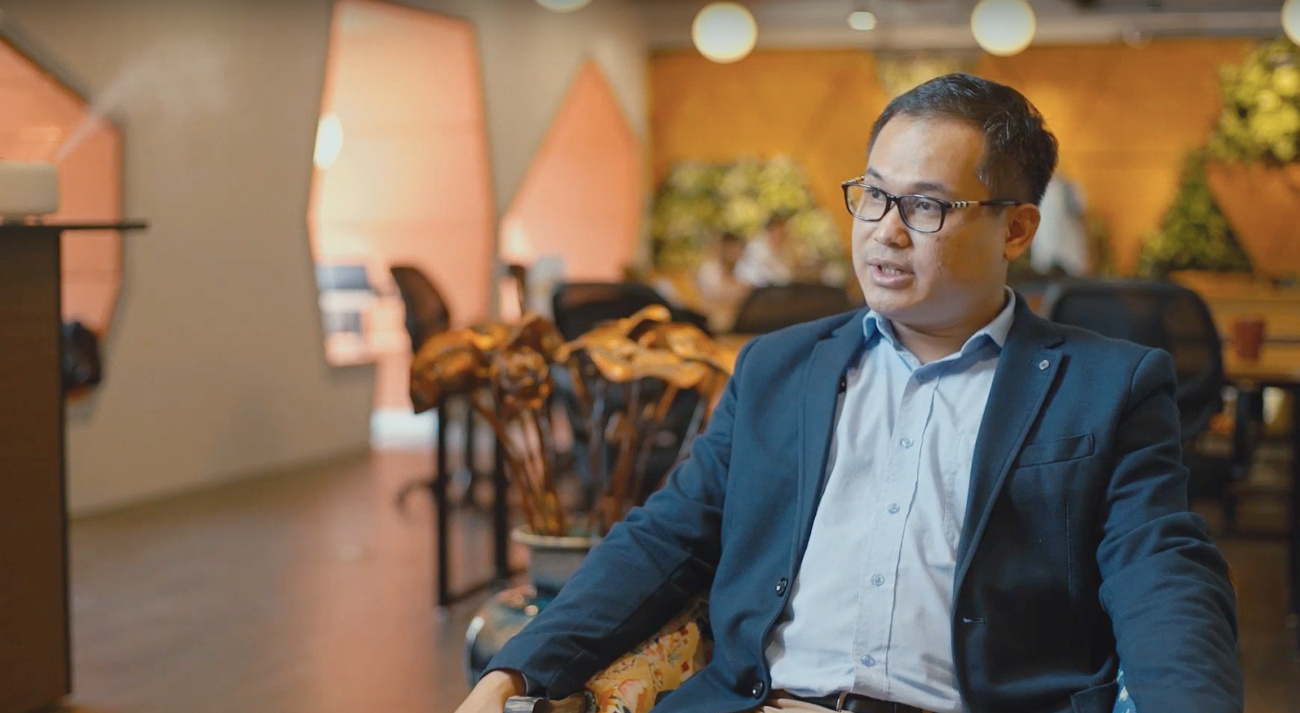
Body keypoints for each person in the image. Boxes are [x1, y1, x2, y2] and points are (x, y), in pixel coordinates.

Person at [457, 73, 1241, 713]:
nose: (883, 231)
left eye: (925, 205)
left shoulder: (1107, 385)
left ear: (1015, 229)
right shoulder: (777, 367)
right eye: (872, 195)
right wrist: (513, 670)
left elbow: (1161, 575)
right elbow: (667, 536)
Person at [697, 231, 751, 332]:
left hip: (740, 325)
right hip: (713, 327)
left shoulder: (744, 271)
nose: (736, 252)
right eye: (733, 248)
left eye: (739, 248)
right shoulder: (708, 271)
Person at [734, 215, 796, 287]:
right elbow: (772, 275)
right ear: (770, 231)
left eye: (784, 233)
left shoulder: (784, 251)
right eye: (779, 232)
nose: (783, 236)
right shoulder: (755, 248)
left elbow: (787, 275)